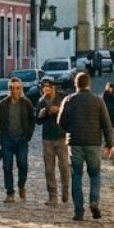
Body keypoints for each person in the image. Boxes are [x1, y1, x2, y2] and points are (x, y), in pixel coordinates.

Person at [58, 72, 114, 222]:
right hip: (93, 142)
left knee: (76, 175)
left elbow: (60, 121)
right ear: (89, 84)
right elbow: (106, 124)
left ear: (75, 84)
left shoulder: (69, 100)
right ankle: (94, 201)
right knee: (94, 174)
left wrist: (70, 129)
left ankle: (78, 211)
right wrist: (109, 144)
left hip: (75, 142)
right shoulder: (98, 101)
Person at [0, 77, 35, 203]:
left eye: (17, 88)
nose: (15, 91)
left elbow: (32, 120)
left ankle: (21, 185)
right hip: (7, 139)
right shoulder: (3, 104)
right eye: (12, 88)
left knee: (23, 165)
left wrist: (28, 135)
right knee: (7, 167)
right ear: (9, 89)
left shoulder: (26, 103)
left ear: (21, 89)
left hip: (21, 139)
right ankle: (10, 192)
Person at [35, 78, 70, 207]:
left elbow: (70, 113)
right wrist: (42, 114)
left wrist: (59, 109)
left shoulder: (63, 97)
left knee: (64, 166)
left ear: (53, 88)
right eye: (44, 89)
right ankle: (52, 196)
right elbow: (37, 121)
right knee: (49, 169)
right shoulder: (41, 101)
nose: (46, 91)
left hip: (61, 136)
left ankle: (65, 189)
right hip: (47, 138)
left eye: (48, 88)